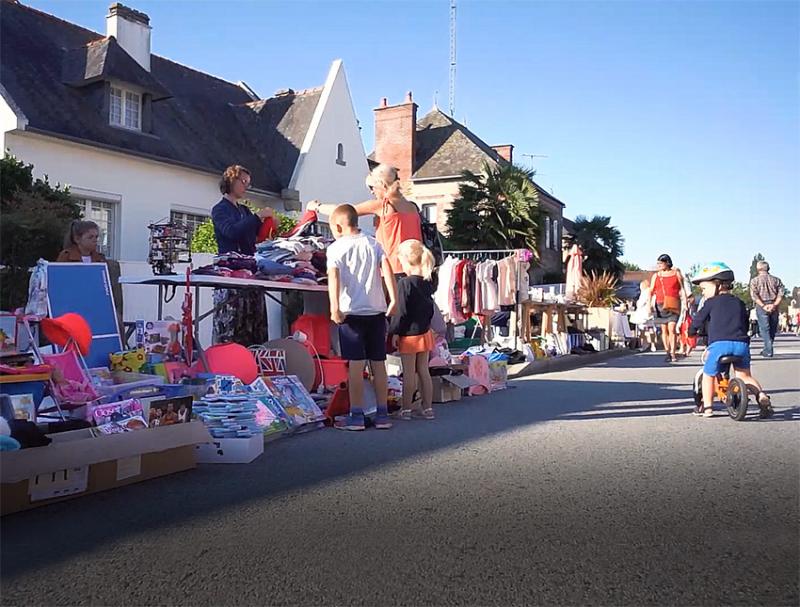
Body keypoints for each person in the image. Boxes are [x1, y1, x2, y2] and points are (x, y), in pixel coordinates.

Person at [326, 204, 397, 431]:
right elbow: (386, 268)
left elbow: (333, 277)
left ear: (338, 225)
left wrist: (334, 306)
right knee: (379, 364)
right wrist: (393, 298)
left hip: (351, 313)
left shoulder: (336, 248)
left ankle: (356, 414)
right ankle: (382, 413)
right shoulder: (373, 243)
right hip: (376, 310)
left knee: (355, 366)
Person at [688, 262, 772, 418]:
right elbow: (745, 323)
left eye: (704, 289)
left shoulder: (710, 303)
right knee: (744, 376)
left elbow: (698, 321)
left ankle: (707, 408)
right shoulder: (739, 302)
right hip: (741, 345)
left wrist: (691, 332)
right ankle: (761, 396)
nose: (704, 293)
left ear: (717, 285)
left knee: (708, 374)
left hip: (719, 346)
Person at [308, 163, 422, 277]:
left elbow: (343, 211)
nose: (372, 192)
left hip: (393, 269)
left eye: (372, 187)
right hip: (417, 270)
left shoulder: (383, 206)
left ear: (382, 184)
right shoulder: (412, 207)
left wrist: (317, 207)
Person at [211, 165, 274, 346]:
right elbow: (231, 232)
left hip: (250, 274)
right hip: (229, 276)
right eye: (243, 181)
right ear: (231, 180)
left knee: (254, 326)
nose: (246, 186)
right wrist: (257, 217)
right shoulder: (219, 209)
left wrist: (269, 225)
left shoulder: (244, 211)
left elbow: (255, 239)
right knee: (232, 328)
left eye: (248, 183)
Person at [389, 240, 436, 420]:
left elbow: (401, 311)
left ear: (406, 260)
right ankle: (428, 408)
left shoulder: (404, 284)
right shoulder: (427, 282)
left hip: (408, 335)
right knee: (424, 371)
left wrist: (394, 331)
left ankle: (406, 409)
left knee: (409, 373)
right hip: (425, 332)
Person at [56, 220, 124, 338]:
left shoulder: (101, 260)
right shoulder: (66, 257)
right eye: (90, 237)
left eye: (97, 237)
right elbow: (61, 285)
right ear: (77, 239)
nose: (95, 240)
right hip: (74, 304)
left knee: (117, 321)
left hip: (97, 303)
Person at [649, 254, 687, 363]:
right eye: (658, 263)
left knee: (672, 329)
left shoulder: (676, 274)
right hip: (660, 304)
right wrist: (649, 305)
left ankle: (673, 353)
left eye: (661, 263)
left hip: (674, 304)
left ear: (667, 263)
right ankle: (667, 351)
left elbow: (682, 289)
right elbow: (651, 291)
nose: (659, 266)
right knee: (664, 330)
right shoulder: (656, 276)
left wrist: (685, 301)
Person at [749, 260, 784, 358]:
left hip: (762, 305)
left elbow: (754, 295)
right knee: (772, 328)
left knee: (764, 329)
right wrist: (774, 305)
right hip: (774, 305)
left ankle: (768, 350)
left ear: (758, 269)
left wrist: (763, 306)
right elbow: (781, 293)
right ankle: (768, 347)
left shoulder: (754, 281)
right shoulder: (776, 280)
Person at [630, 279, 657, 352]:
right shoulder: (648, 292)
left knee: (644, 330)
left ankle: (647, 345)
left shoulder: (646, 292)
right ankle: (649, 345)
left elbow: (646, 302)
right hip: (646, 313)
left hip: (644, 314)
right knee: (649, 330)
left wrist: (649, 310)